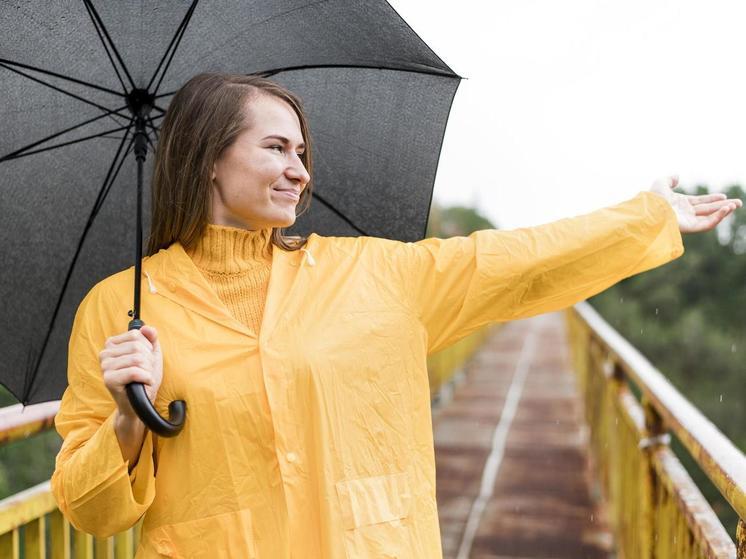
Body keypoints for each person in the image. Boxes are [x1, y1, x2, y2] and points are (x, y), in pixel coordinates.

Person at [51, 72, 743, 559]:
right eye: (274, 148)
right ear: (207, 158)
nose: (299, 170)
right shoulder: (122, 308)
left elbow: (514, 261)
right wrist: (124, 419)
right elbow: (91, 510)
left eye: (301, 152)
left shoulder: (372, 275)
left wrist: (644, 218)